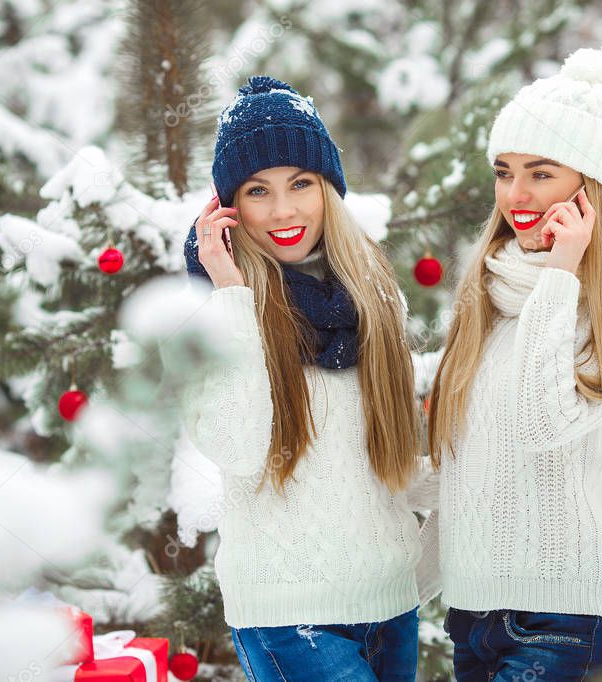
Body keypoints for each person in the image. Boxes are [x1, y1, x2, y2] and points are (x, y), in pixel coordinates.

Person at [424, 47, 602, 681]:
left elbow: (544, 422)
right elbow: (457, 456)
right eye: (504, 172)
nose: (515, 195)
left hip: (569, 624)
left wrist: (562, 272)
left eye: (541, 173)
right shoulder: (491, 293)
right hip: (471, 618)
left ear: (591, 187)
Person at [180, 75, 436, 682]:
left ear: (328, 189)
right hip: (288, 613)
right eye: (258, 190)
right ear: (228, 207)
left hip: (389, 601)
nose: (284, 210)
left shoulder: (374, 297)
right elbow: (238, 446)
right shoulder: (215, 314)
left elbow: (394, 459)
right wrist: (233, 295)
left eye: (301, 184)